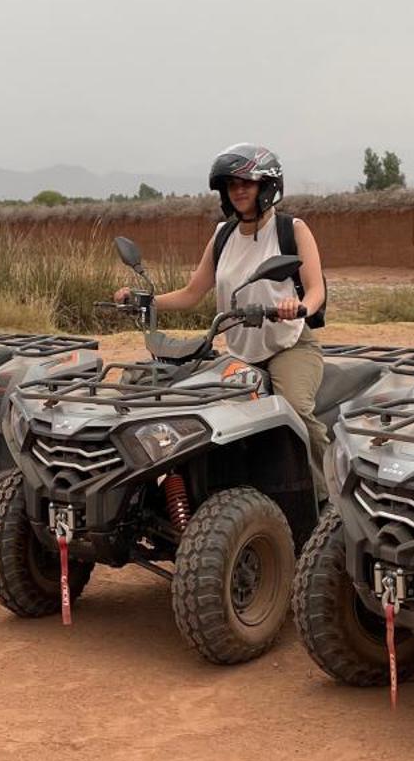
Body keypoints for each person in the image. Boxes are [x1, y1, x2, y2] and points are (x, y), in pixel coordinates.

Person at [114, 142, 331, 497]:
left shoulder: (292, 229)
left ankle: (329, 500)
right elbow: (191, 292)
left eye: (247, 182)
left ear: (267, 186)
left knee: (295, 409)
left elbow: (315, 289)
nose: (239, 190)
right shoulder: (223, 235)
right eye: (232, 184)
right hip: (239, 353)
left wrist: (299, 306)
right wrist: (146, 300)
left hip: (289, 345)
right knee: (200, 412)